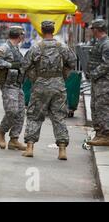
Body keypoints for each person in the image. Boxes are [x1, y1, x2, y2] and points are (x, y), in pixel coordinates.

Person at [21, 20, 76, 160]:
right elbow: (73, 62)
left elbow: (25, 65)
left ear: (41, 30)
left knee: (34, 116)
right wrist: (62, 75)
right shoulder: (62, 46)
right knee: (59, 116)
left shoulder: (36, 47)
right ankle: (62, 150)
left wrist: (35, 77)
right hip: (58, 85)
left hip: (40, 85)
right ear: (54, 30)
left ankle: (30, 147)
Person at [0, 25, 27, 151]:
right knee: (12, 111)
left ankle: (14, 139)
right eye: (22, 35)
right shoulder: (5, 48)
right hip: (8, 85)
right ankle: (2, 133)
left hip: (18, 85)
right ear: (20, 36)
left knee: (20, 113)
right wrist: (10, 65)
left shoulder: (16, 49)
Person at [86, 19, 109, 146]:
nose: (92, 31)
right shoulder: (100, 43)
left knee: (102, 107)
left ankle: (106, 135)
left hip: (104, 83)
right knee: (95, 106)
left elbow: (107, 64)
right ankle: (100, 133)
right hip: (98, 82)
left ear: (97, 29)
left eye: (93, 28)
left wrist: (94, 73)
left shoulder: (106, 44)